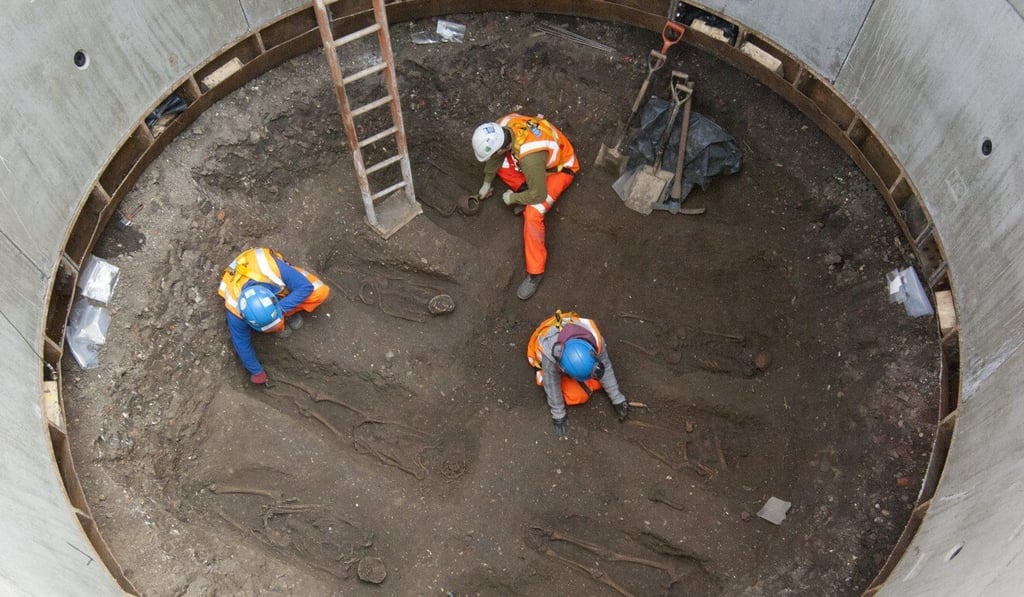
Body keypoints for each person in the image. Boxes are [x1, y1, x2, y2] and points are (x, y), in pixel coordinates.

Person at [472, 114, 579, 300]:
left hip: (561, 170)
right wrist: (487, 182)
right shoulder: (503, 125)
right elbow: (496, 159)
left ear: (500, 147)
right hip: (537, 163)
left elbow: (539, 195)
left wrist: (513, 198)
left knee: (533, 214)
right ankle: (525, 191)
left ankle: (535, 273)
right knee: (503, 166)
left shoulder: (529, 157)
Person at [218, 248, 330, 385]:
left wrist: (282, 309)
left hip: (271, 279)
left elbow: (305, 287)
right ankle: (277, 324)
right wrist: (257, 372)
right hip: (259, 290)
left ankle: (283, 315)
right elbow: (241, 343)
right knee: (274, 323)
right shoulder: (235, 312)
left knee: (320, 292)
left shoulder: (271, 268)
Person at [526, 310, 629, 437]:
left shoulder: (596, 342)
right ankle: (546, 374)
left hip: (564, 333)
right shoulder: (551, 358)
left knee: (599, 381)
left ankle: (586, 378)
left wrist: (617, 398)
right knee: (577, 396)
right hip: (546, 349)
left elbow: (605, 366)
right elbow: (552, 385)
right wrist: (559, 414)